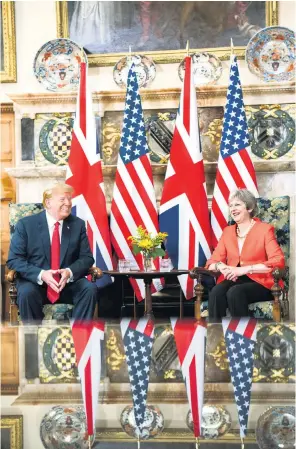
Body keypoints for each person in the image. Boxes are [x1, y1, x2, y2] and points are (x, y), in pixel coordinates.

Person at [7, 183, 98, 323]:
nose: (68, 203)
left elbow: (86, 258)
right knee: (26, 293)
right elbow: (14, 259)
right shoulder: (26, 225)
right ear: (48, 202)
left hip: (67, 284)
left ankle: (81, 339)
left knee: (89, 289)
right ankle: (32, 341)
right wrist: (41, 274)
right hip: (36, 283)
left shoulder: (77, 224)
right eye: (62, 199)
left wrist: (69, 272)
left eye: (69, 199)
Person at [205, 189, 285, 319]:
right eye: (231, 205)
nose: (233, 209)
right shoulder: (227, 232)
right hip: (235, 280)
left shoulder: (264, 230)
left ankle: (242, 337)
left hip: (261, 282)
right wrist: (221, 267)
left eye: (237, 205)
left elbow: (278, 261)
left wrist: (243, 270)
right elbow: (211, 263)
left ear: (250, 207)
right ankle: (216, 337)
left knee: (235, 292)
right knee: (216, 292)